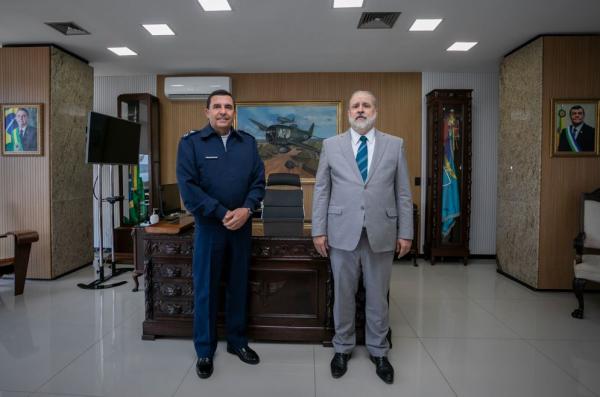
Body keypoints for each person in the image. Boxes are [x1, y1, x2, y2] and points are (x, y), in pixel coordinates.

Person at [312, 90, 413, 384]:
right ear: (348, 113)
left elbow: (403, 192)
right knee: (342, 295)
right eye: (355, 106)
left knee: (378, 297)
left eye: (365, 105)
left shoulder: (395, 145)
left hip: (381, 232)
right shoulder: (331, 146)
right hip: (341, 233)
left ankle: (379, 351)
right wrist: (318, 229)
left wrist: (405, 232)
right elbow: (322, 190)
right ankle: (342, 348)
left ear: (375, 111)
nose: (360, 110)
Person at [176, 89, 265, 379]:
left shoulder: (248, 144)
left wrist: (247, 209)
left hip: (242, 227)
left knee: (238, 286)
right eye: (217, 107)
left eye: (228, 106)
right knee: (206, 290)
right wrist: (221, 212)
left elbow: (258, 182)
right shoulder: (191, 143)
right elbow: (188, 188)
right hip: (210, 228)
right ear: (207, 112)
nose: (223, 111)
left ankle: (237, 342)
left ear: (233, 112)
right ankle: (204, 350)